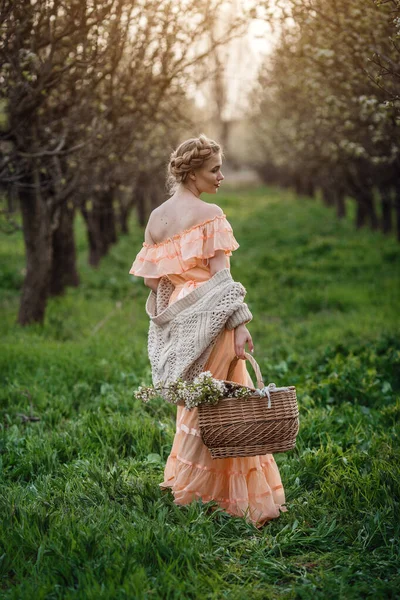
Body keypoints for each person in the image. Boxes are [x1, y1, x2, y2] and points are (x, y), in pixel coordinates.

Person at [129, 134, 287, 527]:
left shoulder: (157, 218)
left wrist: (184, 294)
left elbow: (153, 281)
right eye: (215, 169)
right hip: (214, 322)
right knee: (229, 407)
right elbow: (222, 279)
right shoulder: (210, 213)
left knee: (197, 407)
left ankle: (192, 491)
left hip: (184, 326)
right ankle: (234, 499)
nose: (221, 177)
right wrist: (240, 325)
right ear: (193, 172)